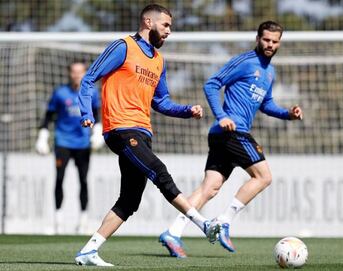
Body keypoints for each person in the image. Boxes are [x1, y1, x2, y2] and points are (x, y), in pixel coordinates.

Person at [74, 4, 221, 267]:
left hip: (143, 132)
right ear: (148, 21)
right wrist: (87, 112)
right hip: (120, 129)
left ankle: (89, 251)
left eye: (170, 27)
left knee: (130, 201)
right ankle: (203, 224)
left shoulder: (158, 60)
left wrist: (187, 111)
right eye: (165, 25)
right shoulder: (123, 46)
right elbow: (88, 79)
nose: (169, 31)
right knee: (159, 171)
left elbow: (162, 101)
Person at [159, 21, 304, 258]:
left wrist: (288, 114)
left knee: (210, 188)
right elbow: (212, 83)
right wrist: (222, 115)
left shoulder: (270, 71)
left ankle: (173, 232)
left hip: (224, 135)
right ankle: (224, 221)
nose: (270, 44)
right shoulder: (246, 61)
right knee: (264, 176)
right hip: (231, 131)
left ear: (279, 43)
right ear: (258, 39)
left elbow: (266, 104)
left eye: (275, 41)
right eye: (266, 39)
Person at [35, 62, 103, 234]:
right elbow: (48, 116)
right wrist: (42, 137)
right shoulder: (60, 93)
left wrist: (97, 132)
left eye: (80, 72)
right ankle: (58, 221)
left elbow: (98, 115)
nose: (76, 75)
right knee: (59, 179)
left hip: (82, 144)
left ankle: (83, 222)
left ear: (85, 73)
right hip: (63, 142)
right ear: (69, 73)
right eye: (74, 72)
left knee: (83, 180)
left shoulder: (91, 93)